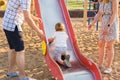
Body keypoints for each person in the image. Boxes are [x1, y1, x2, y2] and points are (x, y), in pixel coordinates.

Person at [2, 0, 44, 80]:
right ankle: (22, 76)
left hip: (6, 24)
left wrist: (34, 17)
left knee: (13, 49)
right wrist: (38, 31)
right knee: (20, 51)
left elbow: (22, 9)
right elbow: (27, 17)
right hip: (13, 25)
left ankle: (11, 72)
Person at [88, 0, 119, 74]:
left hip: (111, 23)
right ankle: (100, 65)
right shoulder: (102, 1)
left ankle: (108, 67)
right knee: (101, 43)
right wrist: (92, 23)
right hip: (104, 21)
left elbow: (114, 13)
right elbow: (99, 13)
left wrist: (108, 26)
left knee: (109, 45)